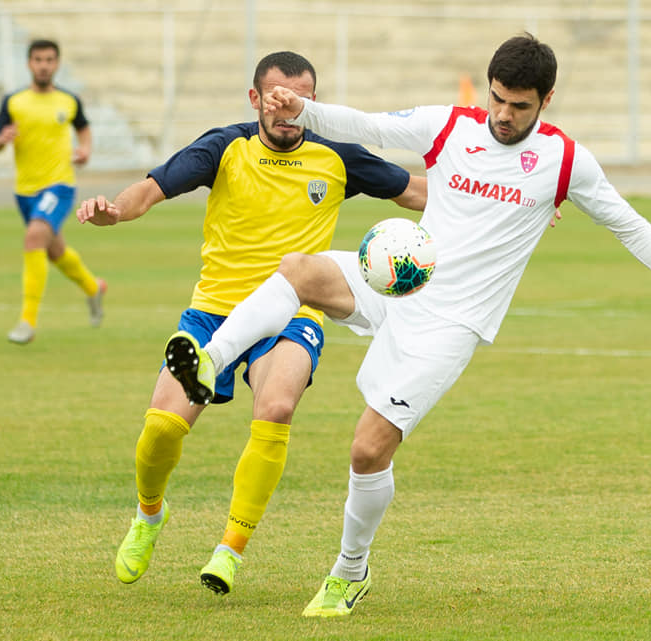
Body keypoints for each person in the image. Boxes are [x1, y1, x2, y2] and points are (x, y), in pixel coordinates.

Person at [170, 34, 651, 618]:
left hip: (450, 324)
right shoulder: (451, 126)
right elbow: (372, 126)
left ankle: (349, 570)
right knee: (298, 271)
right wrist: (304, 110)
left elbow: (631, 224)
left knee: (367, 451)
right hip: (401, 279)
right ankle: (211, 359)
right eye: (497, 99)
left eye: (519, 106)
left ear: (546, 100)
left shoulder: (564, 161)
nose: (503, 115)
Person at [75, 51, 426, 595]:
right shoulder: (224, 147)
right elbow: (146, 191)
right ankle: (149, 516)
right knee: (161, 430)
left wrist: (508, 206)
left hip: (293, 313)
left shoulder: (336, 155)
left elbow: (416, 191)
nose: (287, 110)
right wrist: (114, 211)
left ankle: (229, 550)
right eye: (276, 98)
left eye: (299, 100)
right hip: (214, 309)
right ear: (255, 98)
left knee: (277, 406)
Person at [0, 39, 105, 344]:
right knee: (53, 251)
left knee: (33, 236)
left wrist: (85, 149)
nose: (44, 65)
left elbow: (83, 128)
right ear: (29, 63)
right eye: (38, 59)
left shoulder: (69, 100)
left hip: (59, 185)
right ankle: (94, 288)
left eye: (49, 59)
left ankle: (27, 321)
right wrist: (2, 138)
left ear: (57, 64)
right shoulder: (13, 101)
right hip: (25, 191)